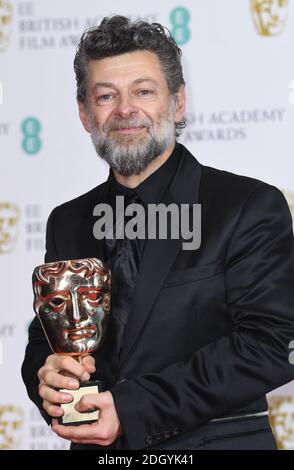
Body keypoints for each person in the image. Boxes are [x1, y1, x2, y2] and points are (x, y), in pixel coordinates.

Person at [22, 15, 294, 450]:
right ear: (85, 114)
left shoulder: (245, 206)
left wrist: (131, 408)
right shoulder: (68, 221)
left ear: (178, 103)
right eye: (106, 95)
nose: (125, 109)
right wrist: (46, 375)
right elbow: (46, 336)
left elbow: (273, 345)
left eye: (143, 92)